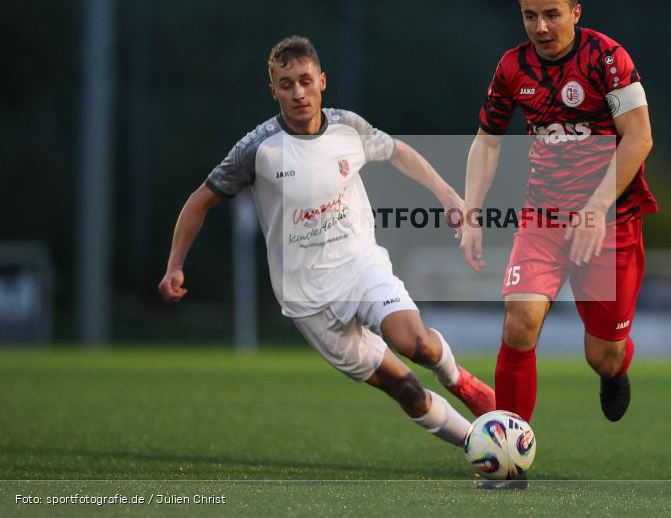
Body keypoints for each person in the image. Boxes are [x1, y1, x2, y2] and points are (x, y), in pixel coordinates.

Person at [159, 35, 495, 450]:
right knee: (404, 389)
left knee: (417, 343)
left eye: (304, 80)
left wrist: (446, 195)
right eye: (286, 84)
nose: (298, 93)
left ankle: (457, 378)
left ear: (322, 81)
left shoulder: (348, 128)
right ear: (274, 91)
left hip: (361, 267)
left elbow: (397, 152)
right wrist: (175, 264)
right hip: (309, 300)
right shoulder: (258, 149)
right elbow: (199, 201)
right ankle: (479, 445)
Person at [460, 0, 658, 428]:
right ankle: (509, 446)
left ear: (575, 12)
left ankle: (615, 371)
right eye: (530, 16)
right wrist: (471, 211)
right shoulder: (512, 67)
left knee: (603, 355)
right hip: (543, 217)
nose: (541, 27)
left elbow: (639, 138)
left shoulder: (607, 59)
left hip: (611, 222)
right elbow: (487, 140)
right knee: (520, 319)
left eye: (552, 14)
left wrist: (595, 209)